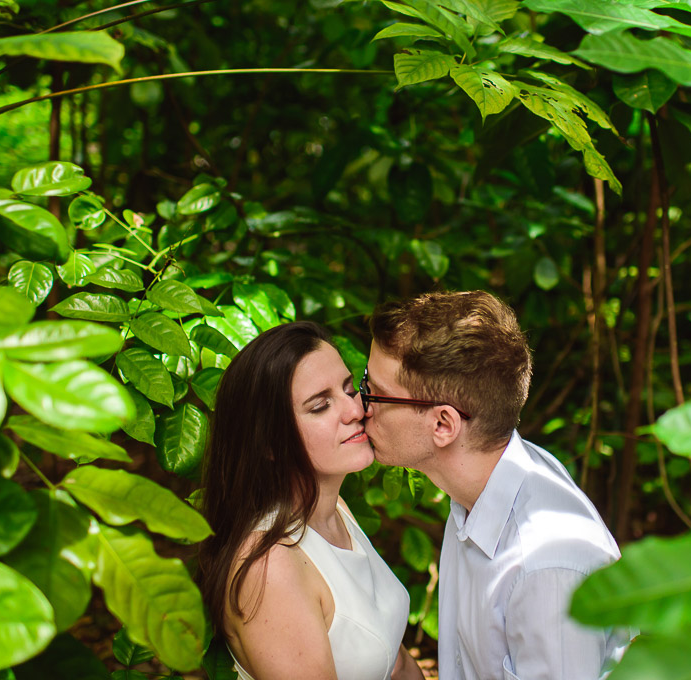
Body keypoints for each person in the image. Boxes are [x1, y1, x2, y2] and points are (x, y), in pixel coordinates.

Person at [363, 291, 629, 680]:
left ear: (443, 425)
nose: (360, 406)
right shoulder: (478, 485)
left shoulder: (544, 570)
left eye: (375, 393)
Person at [196, 321, 424, 680]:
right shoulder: (269, 567)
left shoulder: (337, 511)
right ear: (269, 443)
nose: (355, 410)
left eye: (349, 389)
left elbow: (394, 660)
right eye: (320, 406)